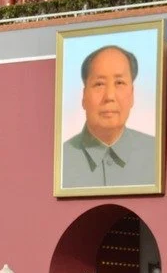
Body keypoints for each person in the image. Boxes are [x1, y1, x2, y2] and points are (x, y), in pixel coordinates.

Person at [62, 45, 155, 188]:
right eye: (99, 84)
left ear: (132, 94)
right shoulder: (60, 160)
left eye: (119, 83)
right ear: (83, 96)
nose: (109, 96)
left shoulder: (156, 154)